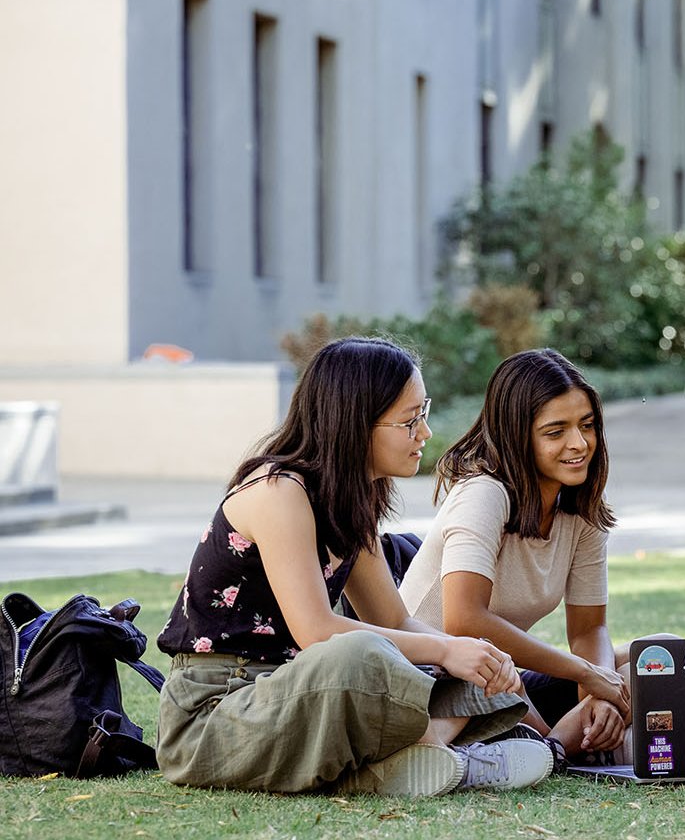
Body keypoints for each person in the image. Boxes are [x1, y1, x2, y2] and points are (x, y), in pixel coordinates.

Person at [157, 338, 559, 797]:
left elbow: (394, 619)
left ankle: (416, 759)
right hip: (218, 711)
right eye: (410, 420)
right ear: (354, 423)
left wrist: (469, 652)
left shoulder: (353, 499)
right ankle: (441, 750)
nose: (425, 433)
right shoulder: (279, 492)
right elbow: (317, 632)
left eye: (422, 412)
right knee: (362, 653)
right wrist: (445, 652)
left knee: (454, 656)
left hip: (298, 693)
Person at [399, 349, 630, 760]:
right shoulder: (484, 494)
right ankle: (555, 749)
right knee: (496, 676)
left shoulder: (583, 507)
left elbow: (589, 631)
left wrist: (602, 691)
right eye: (555, 431)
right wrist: (587, 674)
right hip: (435, 678)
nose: (579, 444)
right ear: (517, 435)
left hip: (501, 675)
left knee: (653, 656)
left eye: (587, 426)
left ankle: (557, 747)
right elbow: (464, 621)